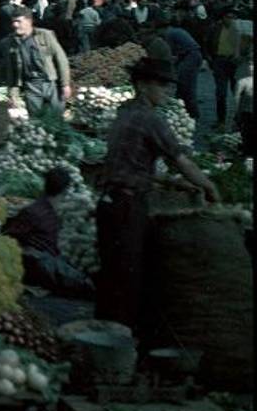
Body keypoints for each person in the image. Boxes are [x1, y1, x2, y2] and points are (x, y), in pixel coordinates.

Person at [94, 58, 219, 341]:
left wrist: (166, 181)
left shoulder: (124, 112)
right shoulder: (150, 118)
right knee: (127, 279)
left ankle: (102, 337)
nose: (166, 90)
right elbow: (181, 159)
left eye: (167, 85)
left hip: (109, 202)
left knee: (112, 274)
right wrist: (209, 186)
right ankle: (121, 344)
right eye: (160, 84)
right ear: (141, 85)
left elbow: (128, 162)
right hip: (126, 205)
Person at [2, 167, 94, 295]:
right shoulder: (34, 212)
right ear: (66, 190)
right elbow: (9, 238)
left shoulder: (49, 210)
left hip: (49, 261)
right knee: (83, 283)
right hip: (39, 264)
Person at [0, 8, 71, 118]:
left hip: (51, 83)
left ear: (29, 21)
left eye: (19, 21)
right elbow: (10, 71)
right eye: (13, 22)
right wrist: (13, 94)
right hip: (31, 85)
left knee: (56, 119)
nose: (15, 25)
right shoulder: (10, 43)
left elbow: (61, 59)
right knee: (36, 119)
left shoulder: (45, 35)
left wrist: (65, 84)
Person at [157, 15, 203, 120]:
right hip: (193, 55)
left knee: (186, 85)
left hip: (190, 56)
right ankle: (185, 109)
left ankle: (192, 113)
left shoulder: (169, 34)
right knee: (185, 83)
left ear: (161, 29)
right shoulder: (176, 30)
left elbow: (170, 53)